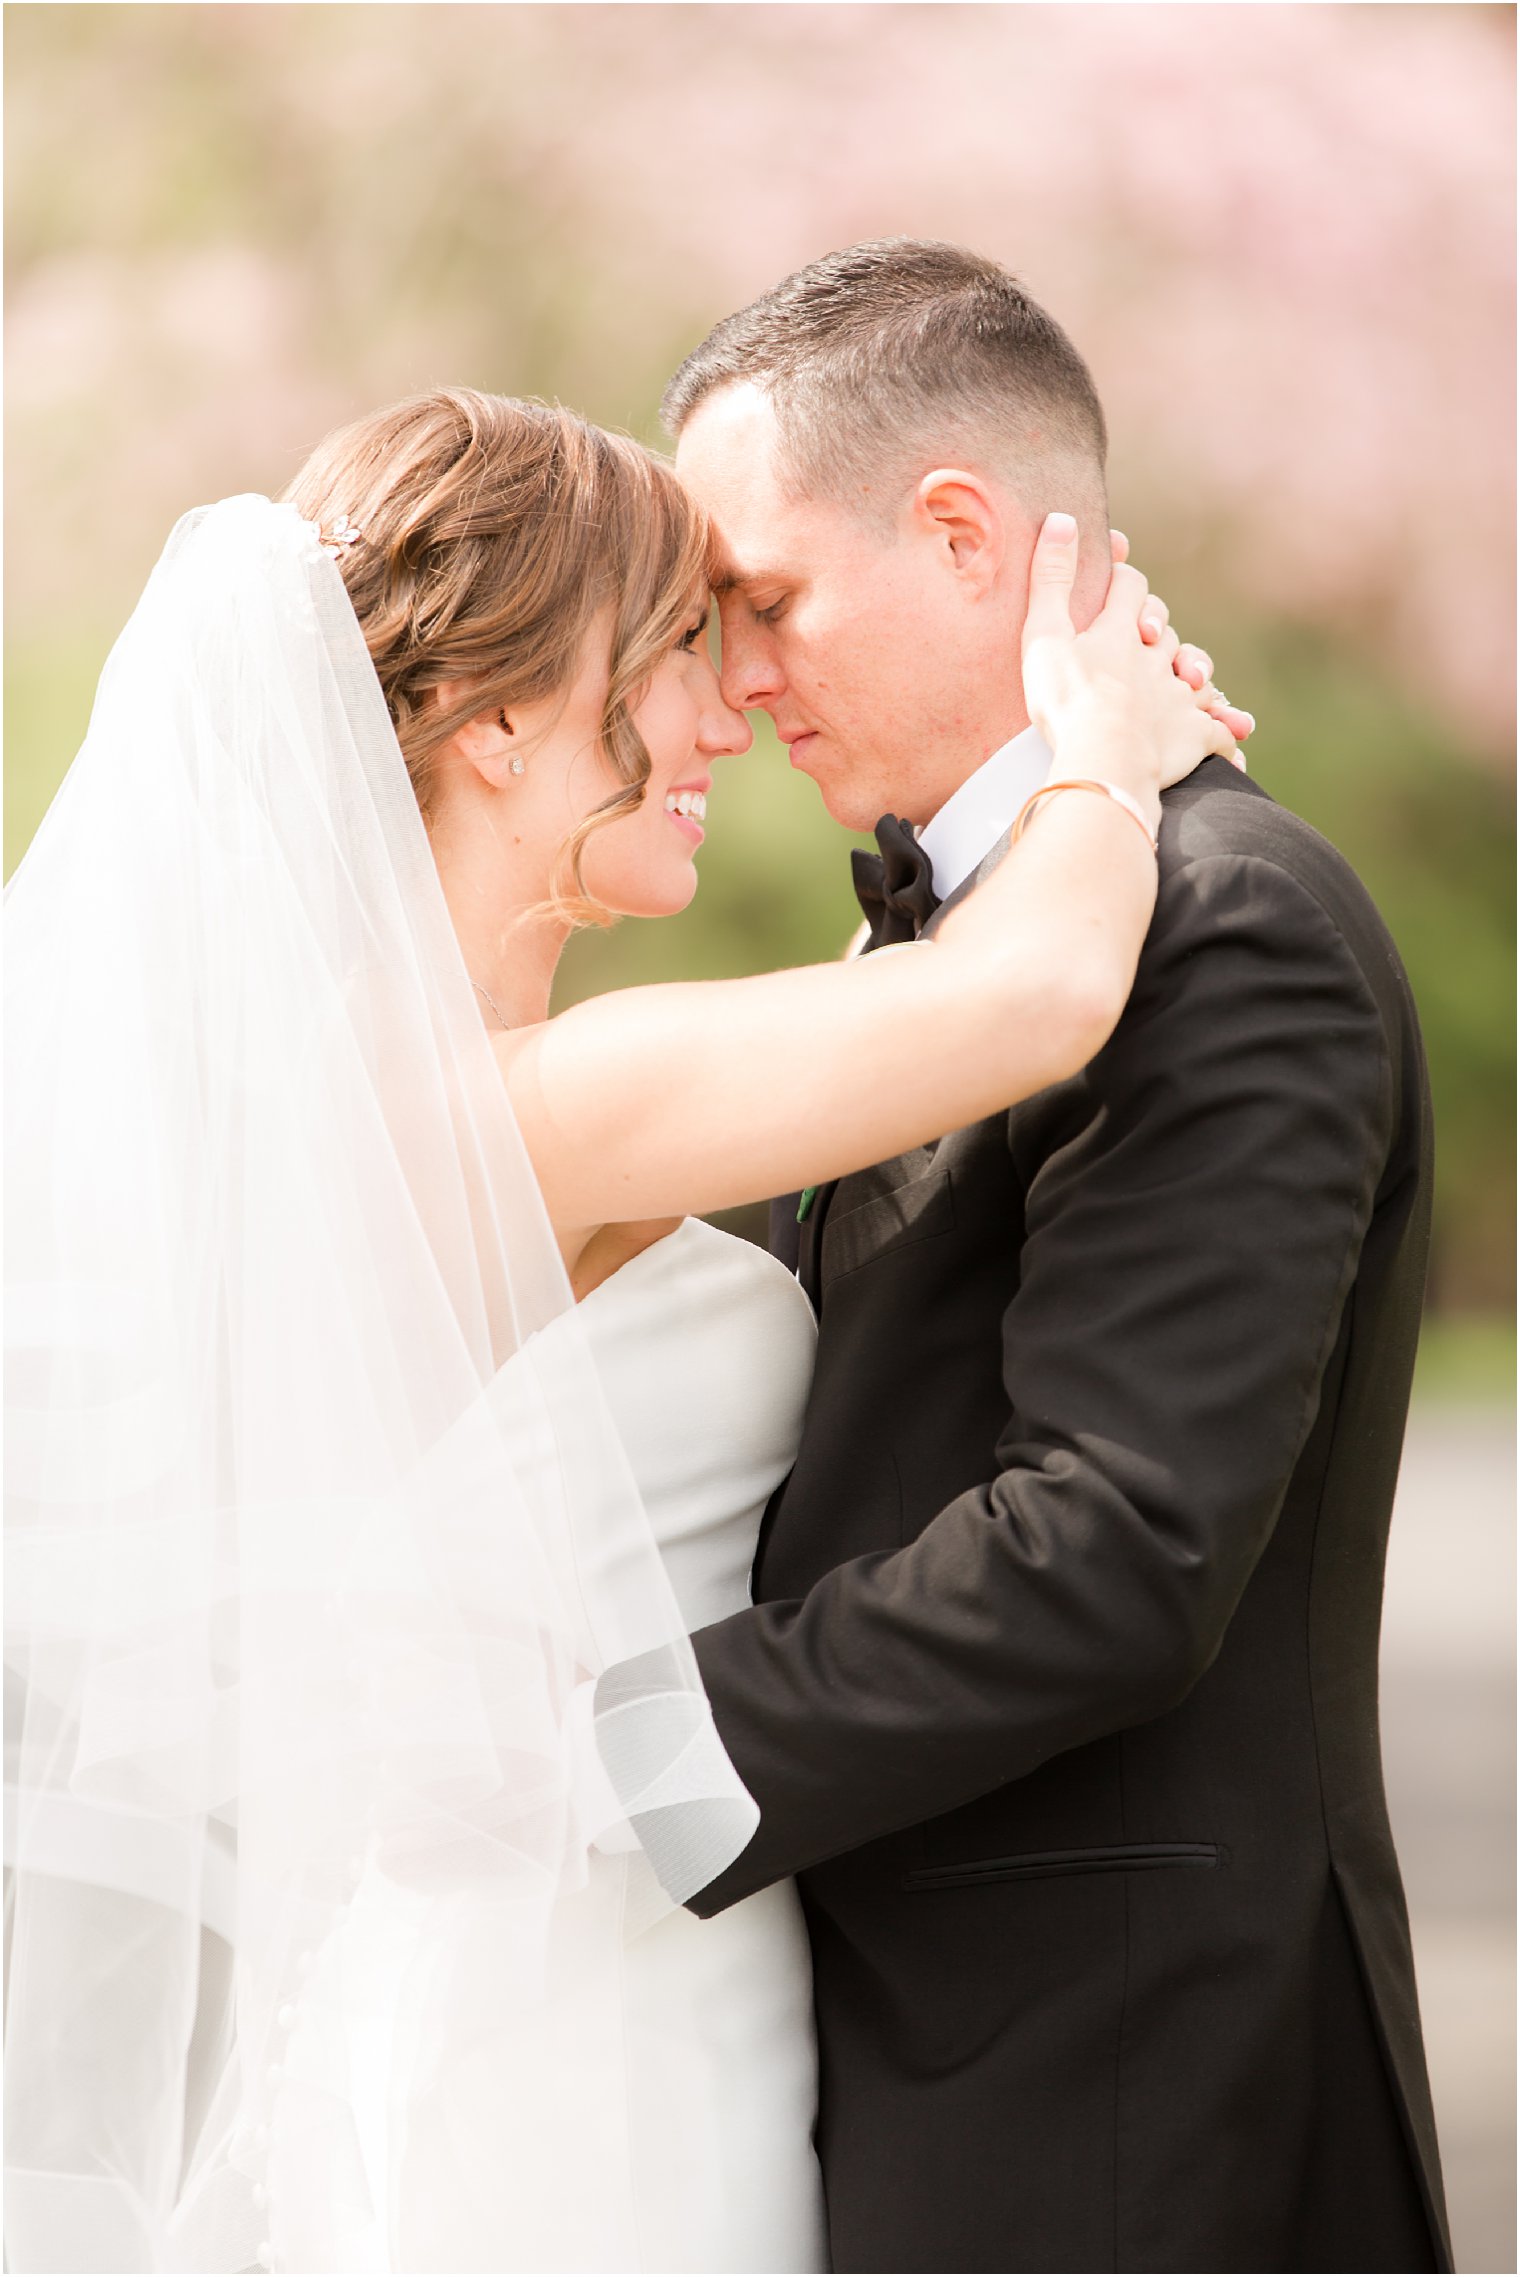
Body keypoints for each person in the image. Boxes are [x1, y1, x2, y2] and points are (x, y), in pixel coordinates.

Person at [3, 387, 1236, 2275]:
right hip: (585, 2019)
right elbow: (1050, 983)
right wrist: (1104, 741)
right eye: (667, 650)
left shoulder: (344, 1099)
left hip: (496, 1963)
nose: (722, 707)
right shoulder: (526, 1108)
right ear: (497, 719)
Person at [631, 238, 1452, 2275]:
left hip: (1112, 2086)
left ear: (961, 534)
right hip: (916, 2044)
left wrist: (638, 1752)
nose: (736, 673)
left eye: (763, 599)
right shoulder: (956, 946)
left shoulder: (1222, 926)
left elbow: (1117, 1541)